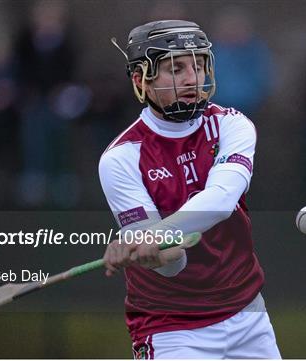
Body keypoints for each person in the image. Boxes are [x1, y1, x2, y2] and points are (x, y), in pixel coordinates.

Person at [99, 20, 281, 359]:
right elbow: (172, 264)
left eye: (198, 65)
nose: (191, 78)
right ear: (141, 81)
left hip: (247, 313)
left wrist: (155, 234)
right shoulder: (121, 159)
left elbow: (221, 200)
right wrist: (151, 250)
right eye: (175, 68)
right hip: (172, 327)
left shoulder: (231, 125)